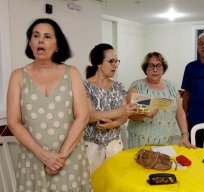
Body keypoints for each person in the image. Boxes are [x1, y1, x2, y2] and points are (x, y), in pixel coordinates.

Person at [7, 18, 92, 191]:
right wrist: (44, 156)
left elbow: (82, 117)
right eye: (35, 36)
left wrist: (59, 157)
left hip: (69, 159)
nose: (40, 40)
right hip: (33, 160)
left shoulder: (72, 73)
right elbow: (13, 121)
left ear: (57, 45)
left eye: (47, 36)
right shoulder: (18, 76)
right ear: (30, 43)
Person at [84, 43, 138, 174]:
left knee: (113, 184)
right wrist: (120, 111)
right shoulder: (85, 86)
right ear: (99, 63)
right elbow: (89, 116)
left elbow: (124, 117)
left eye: (116, 61)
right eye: (111, 61)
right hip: (91, 148)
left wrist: (112, 124)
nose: (115, 65)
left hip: (115, 146)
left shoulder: (118, 86)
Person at [126, 52, 195, 149]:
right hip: (140, 144)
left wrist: (184, 135)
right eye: (151, 66)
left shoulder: (172, 87)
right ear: (146, 69)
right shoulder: (137, 87)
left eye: (158, 66)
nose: (155, 69)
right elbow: (129, 115)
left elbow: (180, 113)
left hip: (166, 143)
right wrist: (144, 114)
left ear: (163, 69)